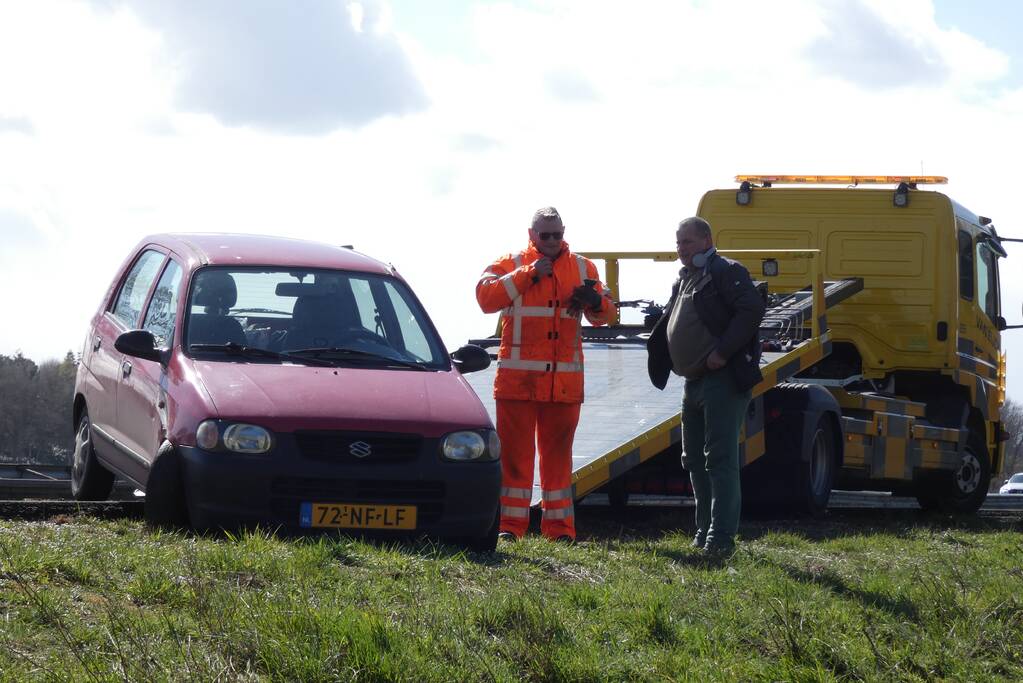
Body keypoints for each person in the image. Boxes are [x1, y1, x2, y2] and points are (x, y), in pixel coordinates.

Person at [476, 207, 613, 543]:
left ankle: (561, 531)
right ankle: (510, 528)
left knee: (557, 463)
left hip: (562, 386)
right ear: (532, 234)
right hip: (518, 384)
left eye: (557, 234)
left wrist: (595, 301)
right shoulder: (510, 263)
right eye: (544, 235)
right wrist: (528, 274)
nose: (552, 241)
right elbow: (485, 298)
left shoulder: (583, 267)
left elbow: (607, 315)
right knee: (515, 462)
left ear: (564, 232)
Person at [647, 216, 765, 555]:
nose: (681, 249)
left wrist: (722, 352)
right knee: (694, 459)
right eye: (678, 243)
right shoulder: (684, 278)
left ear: (706, 240)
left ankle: (721, 537)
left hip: (722, 380)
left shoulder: (726, 271)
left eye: (687, 242)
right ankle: (703, 532)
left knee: (720, 458)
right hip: (693, 382)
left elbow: (751, 309)